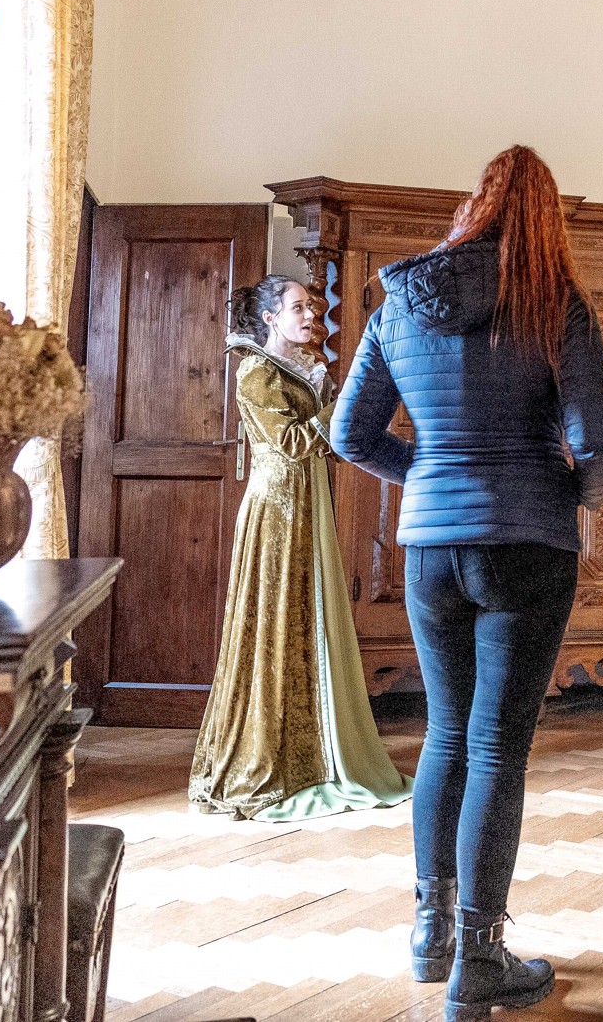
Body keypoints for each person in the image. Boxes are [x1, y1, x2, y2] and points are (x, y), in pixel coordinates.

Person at [331, 146, 603, 1022]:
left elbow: (350, 433)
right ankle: (481, 957)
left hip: (429, 548)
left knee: (445, 735)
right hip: (528, 541)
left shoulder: (402, 302)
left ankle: (431, 936)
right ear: (547, 219)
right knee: (497, 747)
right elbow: (597, 438)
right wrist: (576, 497)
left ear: (474, 207)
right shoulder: (553, 303)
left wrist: (427, 475)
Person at [189, 277, 413, 823]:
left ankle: (318, 749)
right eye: (299, 308)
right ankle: (272, 757)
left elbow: (331, 443)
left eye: (313, 307)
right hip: (277, 509)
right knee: (277, 619)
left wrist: (344, 409)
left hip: (309, 500)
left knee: (310, 619)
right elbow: (292, 443)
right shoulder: (256, 372)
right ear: (270, 318)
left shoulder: (304, 370)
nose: (312, 316)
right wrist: (341, 407)